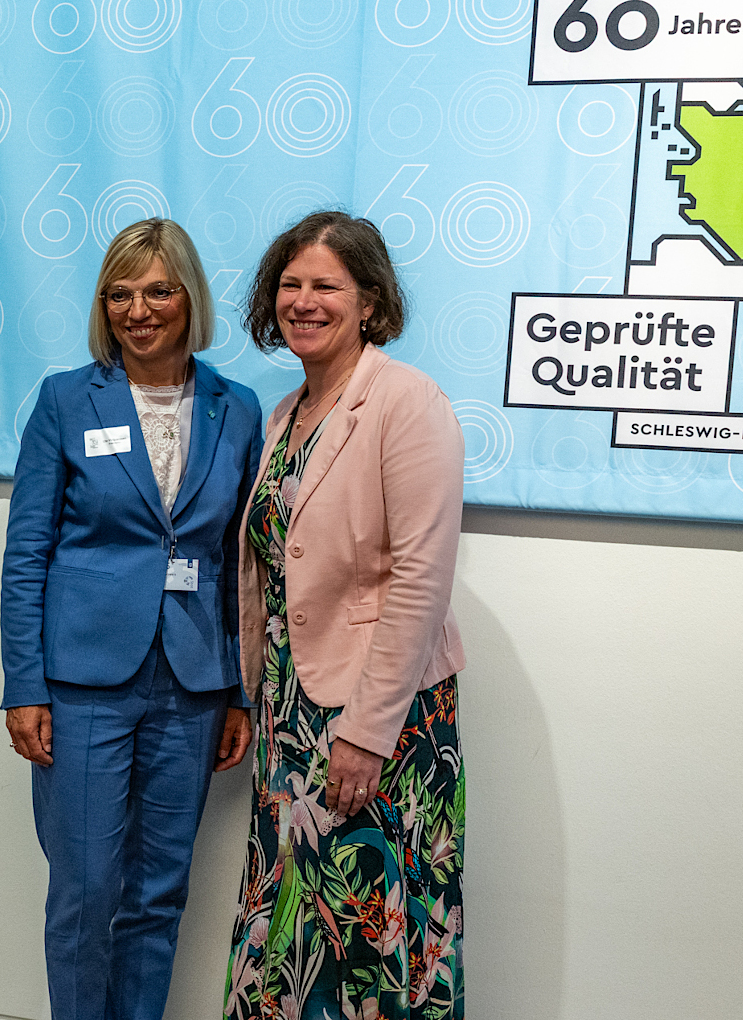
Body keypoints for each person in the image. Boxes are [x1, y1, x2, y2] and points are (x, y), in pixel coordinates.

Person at [1, 218, 264, 1020]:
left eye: (156, 290)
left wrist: (238, 693)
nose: (138, 309)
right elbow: (27, 554)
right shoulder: (65, 400)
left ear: (190, 298)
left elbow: (238, 564)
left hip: (191, 683)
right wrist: (23, 684)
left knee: (159, 891)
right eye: (119, 293)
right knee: (85, 891)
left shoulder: (238, 409)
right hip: (82, 684)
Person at [222, 211, 466, 1020]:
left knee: (370, 926)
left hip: (379, 719)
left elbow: (421, 579)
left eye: (326, 285)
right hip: (292, 712)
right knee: (292, 925)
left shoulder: (406, 402)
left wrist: (366, 730)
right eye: (290, 284)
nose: (304, 300)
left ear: (369, 300)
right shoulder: (286, 411)